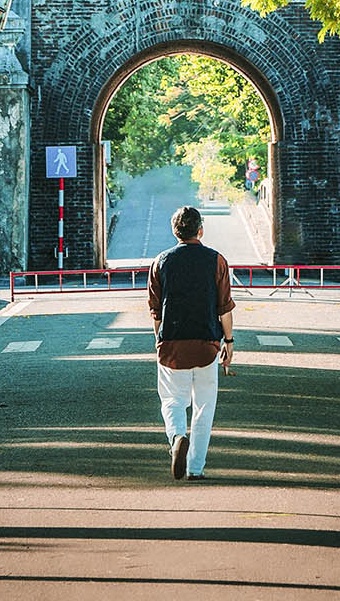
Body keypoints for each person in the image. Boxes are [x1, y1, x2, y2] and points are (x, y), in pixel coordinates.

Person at [147, 204, 235, 481]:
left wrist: (158, 340)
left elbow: (155, 310)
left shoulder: (160, 262)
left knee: (172, 400)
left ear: (175, 232)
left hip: (172, 343)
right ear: (200, 230)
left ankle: (176, 437)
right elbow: (224, 307)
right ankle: (196, 468)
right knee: (205, 406)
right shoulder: (216, 260)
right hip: (207, 343)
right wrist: (229, 342)